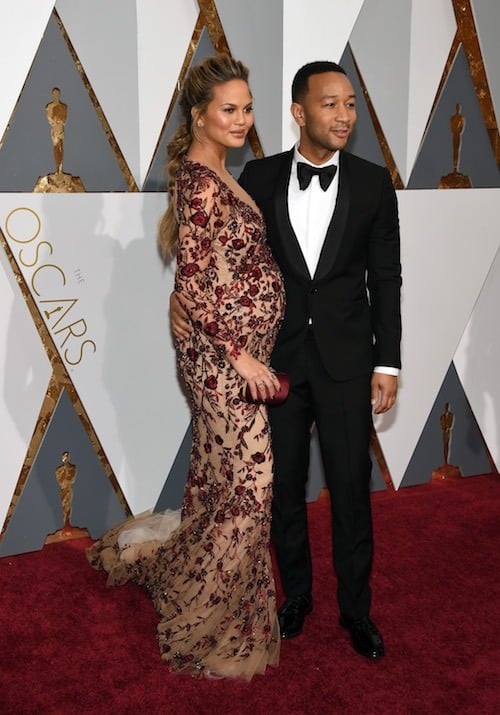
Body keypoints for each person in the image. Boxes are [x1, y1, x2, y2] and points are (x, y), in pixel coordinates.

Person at [172, 61, 402, 660]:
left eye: (351, 103)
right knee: (282, 490)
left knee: (352, 489)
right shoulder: (260, 174)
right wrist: (182, 299)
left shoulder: (376, 185)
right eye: (331, 104)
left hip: (350, 361)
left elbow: (387, 279)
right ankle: (294, 596)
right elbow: (219, 258)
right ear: (300, 112)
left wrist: (389, 362)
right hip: (275, 364)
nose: (345, 115)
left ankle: (357, 609)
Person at [87, 54, 285, 681]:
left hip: (228, 356)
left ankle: (205, 594)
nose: (242, 119)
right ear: (199, 116)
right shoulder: (200, 181)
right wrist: (243, 353)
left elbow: (207, 277)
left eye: (247, 108)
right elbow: (195, 287)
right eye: (229, 109)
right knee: (251, 491)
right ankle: (200, 621)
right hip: (225, 362)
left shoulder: (217, 173)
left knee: (223, 487)